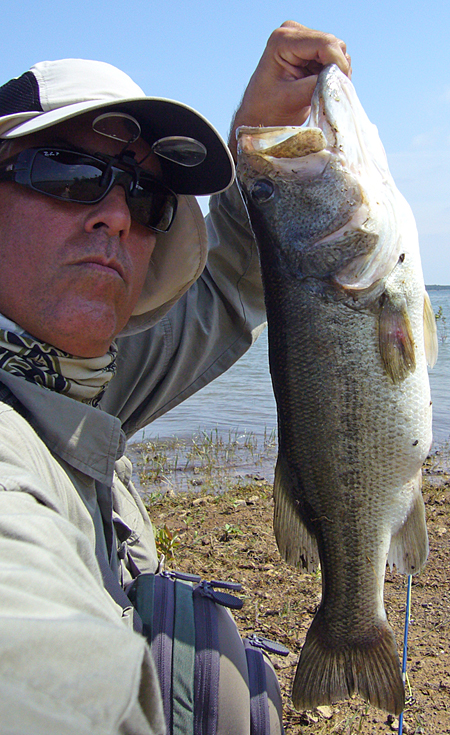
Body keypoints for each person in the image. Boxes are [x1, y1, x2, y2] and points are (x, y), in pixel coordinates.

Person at [0, 21, 350, 734]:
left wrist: (262, 139)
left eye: (147, 197)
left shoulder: (76, 381)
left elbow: (227, 282)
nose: (116, 216)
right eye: (69, 171)